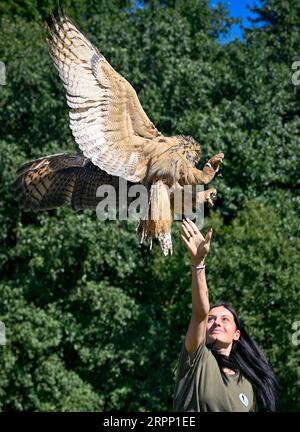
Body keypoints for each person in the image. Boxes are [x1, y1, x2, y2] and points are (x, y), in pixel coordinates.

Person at [173, 218, 278, 412]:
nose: (216, 323)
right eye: (211, 320)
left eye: (225, 319)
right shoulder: (197, 358)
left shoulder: (247, 383)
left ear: (236, 334)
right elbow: (200, 312)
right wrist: (198, 263)